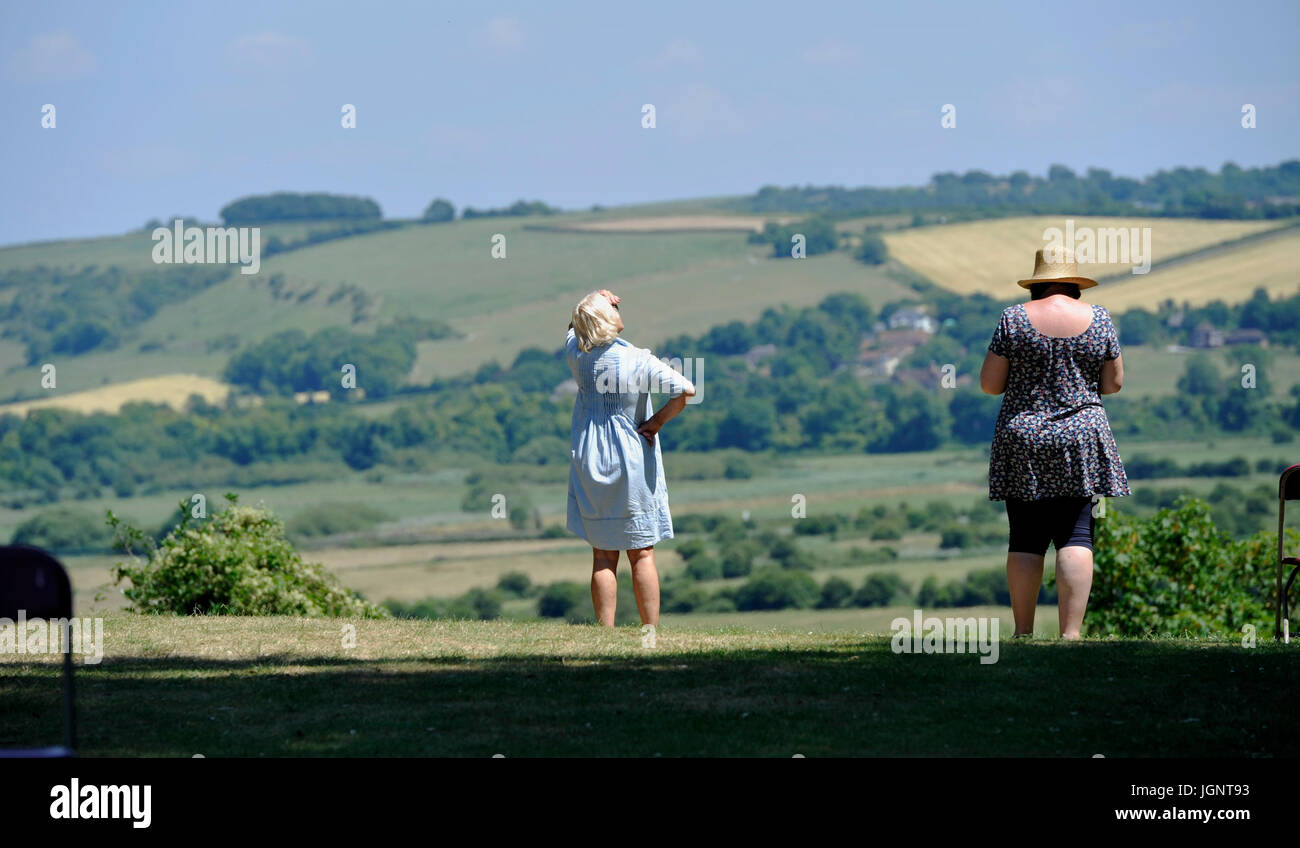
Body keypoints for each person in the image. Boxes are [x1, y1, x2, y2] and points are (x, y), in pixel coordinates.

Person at [979, 248, 1130, 639]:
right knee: (1076, 533)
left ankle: (1023, 632)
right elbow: (1113, 384)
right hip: (1081, 436)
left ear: (1036, 284)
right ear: (1075, 285)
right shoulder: (1099, 319)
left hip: (1024, 436)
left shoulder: (1013, 319)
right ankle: (1071, 634)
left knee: (1025, 537)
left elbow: (990, 384)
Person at [565, 289, 695, 627]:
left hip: (589, 457)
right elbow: (686, 390)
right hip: (630, 458)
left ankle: (605, 634)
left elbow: (572, 328)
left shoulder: (577, 355)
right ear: (607, 318)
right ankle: (648, 631)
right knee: (642, 552)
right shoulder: (638, 359)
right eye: (612, 307)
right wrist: (655, 423)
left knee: (603, 554)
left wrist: (592, 299)